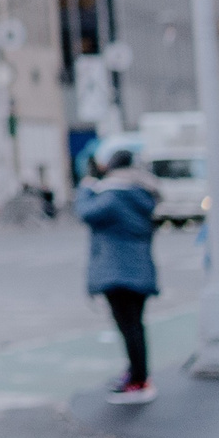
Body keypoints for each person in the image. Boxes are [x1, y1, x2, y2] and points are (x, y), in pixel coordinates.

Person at [76, 145, 160, 405]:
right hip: (139, 267)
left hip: (117, 270)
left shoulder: (113, 195)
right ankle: (137, 374)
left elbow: (86, 212)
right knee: (135, 325)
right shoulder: (142, 193)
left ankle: (138, 379)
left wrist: (87, 186)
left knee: (128, 326)